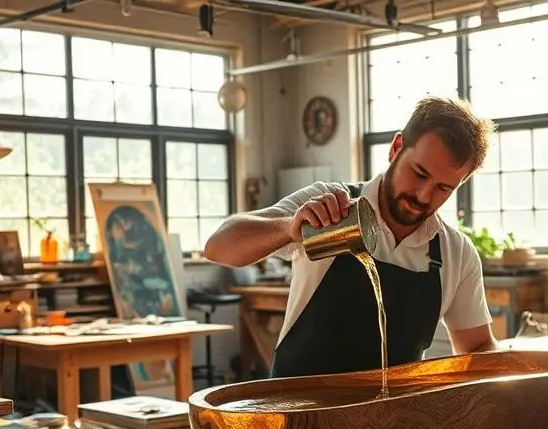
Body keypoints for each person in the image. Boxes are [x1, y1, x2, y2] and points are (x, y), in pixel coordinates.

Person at [203, 96, 498, 378]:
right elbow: (219, 246)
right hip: (298, 417)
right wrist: (288, 228)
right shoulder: (329, 207)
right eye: (419, 173)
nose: (424, 195)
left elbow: (477, 349)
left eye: (443, 188)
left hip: (390, 423)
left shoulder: (455, 253)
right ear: (396, 147)